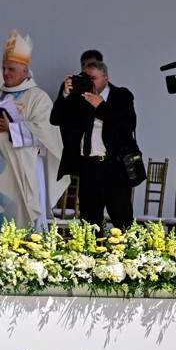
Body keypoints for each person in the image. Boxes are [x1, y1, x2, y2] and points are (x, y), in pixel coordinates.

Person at [0, 30, 66, 236]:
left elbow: (46, 134)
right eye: (4, 69)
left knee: (20, 221)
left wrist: (12, 128)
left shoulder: (38, 98)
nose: (6, 73)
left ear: (25, 70)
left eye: (11, 69)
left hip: (24, 167)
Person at [50, 60, 136, 229]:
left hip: (114, 167)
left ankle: (128, 252)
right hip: (88, 166)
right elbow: (55, 119)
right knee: (89, 222)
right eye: (86, 78)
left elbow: (128, 124)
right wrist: (65, 95)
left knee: (122, 219)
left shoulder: (121, 95)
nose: (90, 83)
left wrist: (100, 105)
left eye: (93, 78)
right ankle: (91, 253)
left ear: (106, 78)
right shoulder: (78, 97)